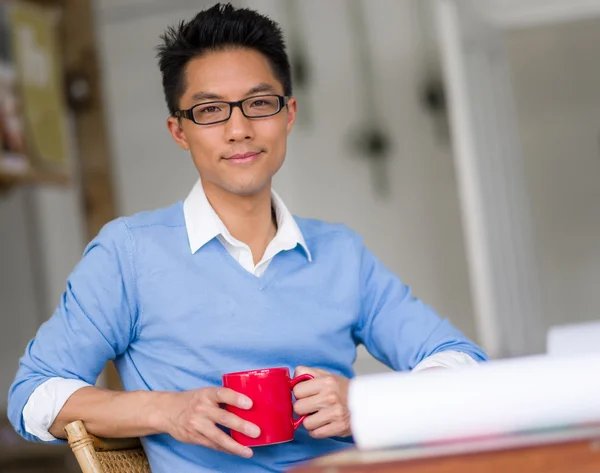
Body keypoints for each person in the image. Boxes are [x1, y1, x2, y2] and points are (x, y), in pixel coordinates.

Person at [7, 3, 487, 472]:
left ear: (288, 114)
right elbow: (33, 398)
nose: (239, 129)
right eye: (210, 110)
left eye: (259, 104)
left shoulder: (342, 253)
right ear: (179, 131)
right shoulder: (128, 253)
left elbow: (462, 364)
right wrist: (166, 411)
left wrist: (361, 403)